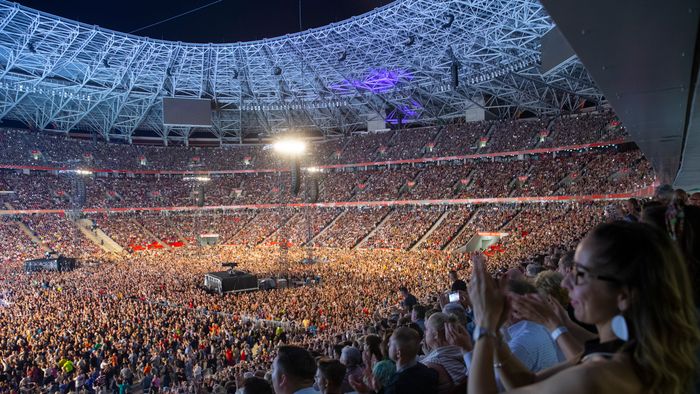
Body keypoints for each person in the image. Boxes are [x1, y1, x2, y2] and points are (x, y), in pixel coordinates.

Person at [467, 221, 700, 394]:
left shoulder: (594, 378)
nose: (566, 282)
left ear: (624, 295)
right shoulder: (641, 351)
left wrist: (484, 326)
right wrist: (496, 337)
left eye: (580, 274)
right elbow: (526, 382)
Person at [420, 312, 467, 394]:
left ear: (435, 334)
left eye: (427, 329)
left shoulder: (433, 363)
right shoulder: (462, 351)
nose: (425, 333)